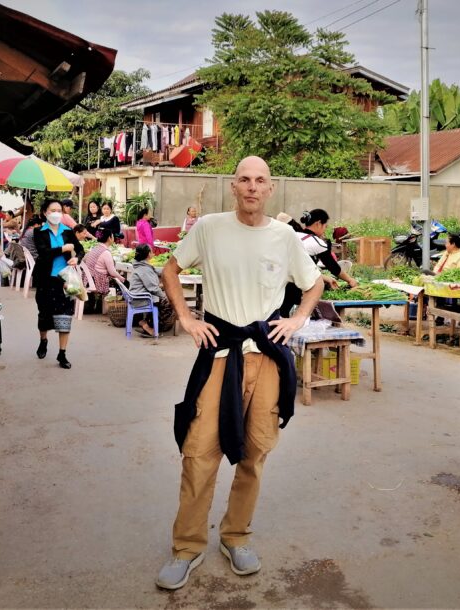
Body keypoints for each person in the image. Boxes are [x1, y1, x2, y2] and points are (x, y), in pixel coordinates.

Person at [154, 156, 323, 591]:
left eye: (260, 180)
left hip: (266, 355)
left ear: (270, 188)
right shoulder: (209, 227)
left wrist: (298, 318)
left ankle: (236, 536)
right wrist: (188, 318)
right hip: (219, 354)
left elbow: (314, 282)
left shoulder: (284, 236)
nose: (252, 187)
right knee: (199, 450)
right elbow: (170, 269)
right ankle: (187, 546)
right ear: (234, 187)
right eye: (244, 180)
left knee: (255, 451)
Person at [32, 199, 84, 369]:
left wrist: (77, 257)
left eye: (59, 210)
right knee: (44, 314)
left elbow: (80, 248)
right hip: (46, 280)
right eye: (52, 210)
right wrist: (63, 249)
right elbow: (44, 253)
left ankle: (62, 354)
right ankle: (43, 340)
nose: (56, 213)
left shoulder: (68, 232)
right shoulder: (39, 232)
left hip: (65, 280)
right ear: (45, 213)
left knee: (65, 315)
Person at [279, 209, 358, 318]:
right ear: (318, 223)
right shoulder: (317, 243)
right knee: (288, 315)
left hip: (278, 282)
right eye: (325, 226)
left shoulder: (294, 235)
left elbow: (298, 266)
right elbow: (333, 267)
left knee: (280, 314)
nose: (325, 230)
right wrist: (350, 280)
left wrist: (324, 278)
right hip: (293, 286)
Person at [128, 244, 174, 338]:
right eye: (152, 251)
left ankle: (148, 322)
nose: (153, 253)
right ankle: (151, 327)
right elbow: (153, 288)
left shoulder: (142, 265)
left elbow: (154, 270)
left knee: (163, 298)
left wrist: (169, 269)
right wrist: (164, 296)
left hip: (140, 296)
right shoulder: (144, 269)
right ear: (148, 254)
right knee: (169, 302)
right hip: (141, 299)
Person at [83, 227, 125, 312]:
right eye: (112, 236)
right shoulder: (105, 252)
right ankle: (115, 309)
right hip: (97, 281)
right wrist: (122, 279)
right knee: (121, 283)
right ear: (109, 238)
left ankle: (100, 306)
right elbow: (112, 272)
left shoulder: (95, 248)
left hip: (88, 279)